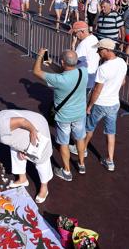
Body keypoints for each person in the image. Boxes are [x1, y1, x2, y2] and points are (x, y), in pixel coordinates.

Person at [0, 106, 53, 203]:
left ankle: (44, 188)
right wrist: (22, 150)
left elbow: (22, 121)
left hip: (37, 126)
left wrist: (33, 131)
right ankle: (22, 179)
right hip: (27, 128)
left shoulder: (1, 124)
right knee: (15, 150)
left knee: (41, 160)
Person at [33, 49, 88, 178]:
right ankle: (81, 164)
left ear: (63, 62)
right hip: (80, 113)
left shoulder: (58, 79)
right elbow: (67, 71)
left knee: (64, 143)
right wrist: (52, 65)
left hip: (64, 116)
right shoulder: (83, 72)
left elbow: (36, 71)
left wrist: (40, 55)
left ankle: (67, 171)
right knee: (80, 139)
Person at [83, 39, 128, 172]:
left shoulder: (103, 68)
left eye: (99, 49)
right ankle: (110, 160)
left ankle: (83, 149)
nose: (98, 52)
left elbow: (97, 90)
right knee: (110, 132)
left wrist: (89, 106)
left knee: (89, 127)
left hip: (100, 103)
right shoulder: (122, 63)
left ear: (107, 50)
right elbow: (123, 81)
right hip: (114, 103)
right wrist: (113, 88)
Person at [68, 21, 100, 159]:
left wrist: (73, 46)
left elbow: (73, 61)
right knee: (83, 110)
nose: (75, 35)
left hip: (84, 79)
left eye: (75, 33)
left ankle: (80, 145)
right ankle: (81, 143)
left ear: (81, 31)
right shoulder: (94, 39)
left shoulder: (83, 44)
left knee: (79, 112)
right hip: (92, 77)